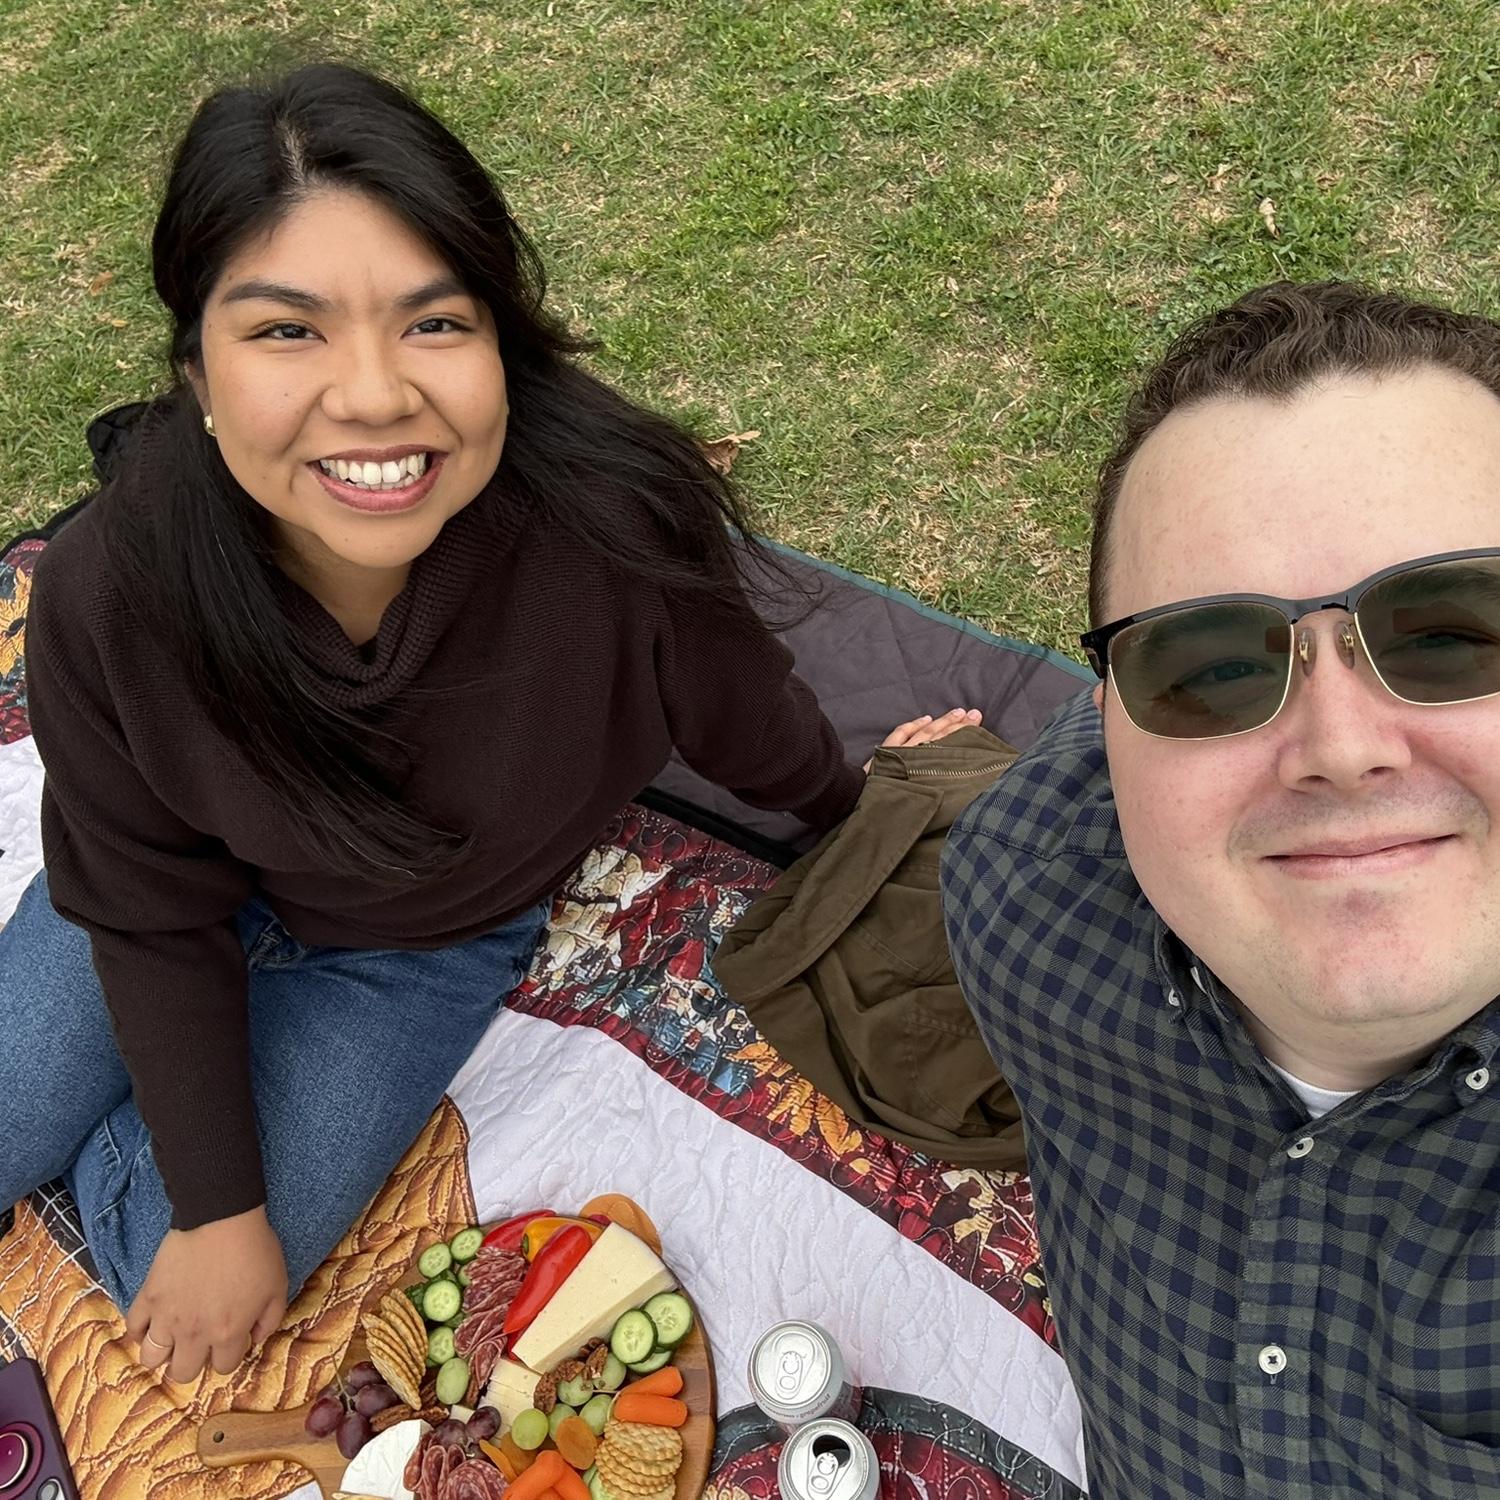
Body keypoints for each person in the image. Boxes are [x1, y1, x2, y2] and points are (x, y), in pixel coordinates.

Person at [0, 63, 977, 1385]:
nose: (373, 397)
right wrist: (210, 1190)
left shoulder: (613, 536)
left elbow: (748, 716)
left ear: (499, 340)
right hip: (169, 889)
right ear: (196, 370)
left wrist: (865, 810)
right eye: (287, 331)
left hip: (416, 940)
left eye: (432, 324)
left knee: (193, 1282)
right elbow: (147, 902)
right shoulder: (112, 588)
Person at [942, 281, 1500, 1497]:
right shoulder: (1022, 905)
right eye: (1208, 665)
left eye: (1453, 634)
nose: (1342, 745)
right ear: (1111, 731)